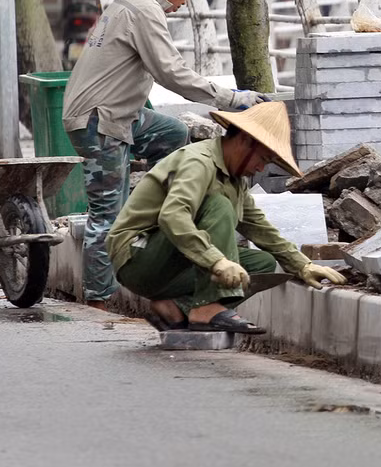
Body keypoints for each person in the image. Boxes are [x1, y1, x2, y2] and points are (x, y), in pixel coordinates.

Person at [62, 0, 268, 310]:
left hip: (120, 114)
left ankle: (169, 212)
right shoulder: (144, 10)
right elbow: (170, 72)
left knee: (172, 134)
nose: (186, 1)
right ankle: (99, 300)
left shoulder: (132, 1)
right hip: (99, 121)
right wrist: (231, 99)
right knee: (107, 214)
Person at [107, 101, 345, 333]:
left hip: (168, 266)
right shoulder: (199, 162)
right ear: (243, 140)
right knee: (219, 205)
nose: (261, 168)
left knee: (261, 264)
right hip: (137, 258)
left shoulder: (236, 180)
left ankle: (176, 309)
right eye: (262, 159)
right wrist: (217, 261)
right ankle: (207, 309)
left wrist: (302, 265)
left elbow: (257, 226)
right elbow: (172, 216)